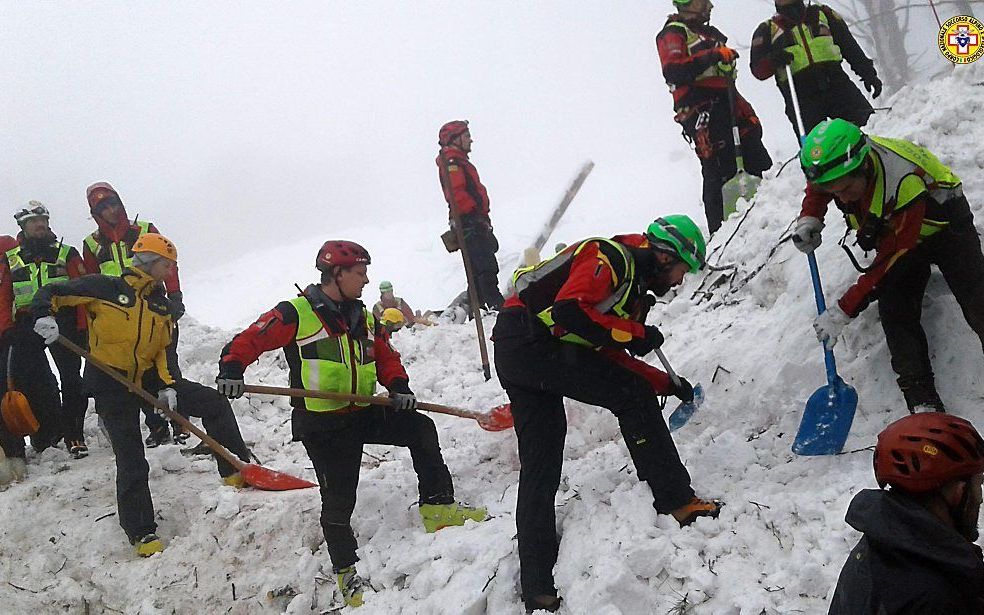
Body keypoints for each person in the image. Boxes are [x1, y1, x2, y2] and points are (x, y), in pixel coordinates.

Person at [215, 240, 488, 608]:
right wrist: (232, 367)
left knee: (420, 428)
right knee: (340, 499)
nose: (366, 280)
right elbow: (252, 338)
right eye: (360, 273)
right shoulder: (297, 313)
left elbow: (385, 356)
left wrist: (398, 385)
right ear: (337, 274)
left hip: (361, 411)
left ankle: (438, 507)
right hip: (322, 423)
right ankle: (346, 569)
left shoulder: (365, 317)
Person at [492, 215, 722, 613]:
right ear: (666, 257)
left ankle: (537, 585)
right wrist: (637, 335)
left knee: (541, 463)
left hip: (517, 348)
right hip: (532, 340)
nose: (682, 281)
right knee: (630, 396)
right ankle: (677, 499)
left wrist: (666, 383)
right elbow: (569, 313)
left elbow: (606, 354)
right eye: (684, 269)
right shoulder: (609, 257)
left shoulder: (629, 287)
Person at [30, 233, 252, 557]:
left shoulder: (161, 305)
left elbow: (163, 351)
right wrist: (43, 315)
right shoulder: (104, 288)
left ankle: (234, 472)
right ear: (150, 262)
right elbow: (53, 292)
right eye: (167, 264)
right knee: (131, 456)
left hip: (147, 379)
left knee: (214, 403)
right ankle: (141, 532)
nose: (171, 271)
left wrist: (167, 387)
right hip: (108, 380)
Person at [793, 119, 984, 413]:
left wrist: (845, 309)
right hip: (895, 230)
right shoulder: (841, 167)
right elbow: (820, 186)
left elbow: (893, 258)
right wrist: (811, 218)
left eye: (845, 189)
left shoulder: (903, 182)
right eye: (836, 192)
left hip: (943, 226)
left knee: (976, 298)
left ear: (864, 167)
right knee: (895, 312)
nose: (841, 198)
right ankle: (923, 405)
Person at [828, 412, 984, 613]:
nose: (980, 497)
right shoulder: (938, 597)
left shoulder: (882, 544)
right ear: (958, 492)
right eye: (978, 484)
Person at [82, 182, 187, 447]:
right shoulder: (91, 244)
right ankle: (157, 425)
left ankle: (181, 423)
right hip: (119, 312)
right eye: (103, 208)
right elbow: (91, 282)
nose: (111, 211)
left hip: (154, 301)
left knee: (167, 363)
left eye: (113, 203)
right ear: (95, 213)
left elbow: (167, 262)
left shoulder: (144, 230)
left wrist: (175, 296)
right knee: (135, 368)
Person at [655, 0, 773, 235]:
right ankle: (721, 233)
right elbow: (674, 70)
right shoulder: (674, 33)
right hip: (702, 111)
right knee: (719, 170)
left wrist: (748, 114)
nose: (709, 5)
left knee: (757, 157)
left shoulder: (710, 36)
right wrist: (713, 56)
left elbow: (727, 83)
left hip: (728, 104)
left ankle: (773, 211)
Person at [0, 203, 88, 477]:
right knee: (35, 382)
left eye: (42, 219)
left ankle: (74, 433)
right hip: (26, 326)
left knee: (71, 378)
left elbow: (84, 290)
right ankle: (45, 434)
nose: (39, 224)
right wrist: (7, 328)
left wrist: (84, 326)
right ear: (23, 227)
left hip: (63, 322)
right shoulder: (10, 259)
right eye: (33, 221)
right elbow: (4, 296)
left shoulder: (66, 253)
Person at [750, 0, 881, 138]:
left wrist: (868, 73)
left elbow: (848, 45)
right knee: (816, 149)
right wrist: (772, 60)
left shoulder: (823, 14)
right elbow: (758, 70)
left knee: (870, 128)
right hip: (800, 95)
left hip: (836, 83)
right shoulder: (766, 30)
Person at [436, 120, 505, 310]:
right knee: (484, 264)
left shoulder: (456, 161)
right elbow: (457, 193)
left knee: (477, 268)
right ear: (455, 139)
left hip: (472, 221)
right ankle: (493, 303)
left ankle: (480, 306)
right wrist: (474, 216)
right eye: (466, 136)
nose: (471, 140)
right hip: (470, 222)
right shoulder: (453, 163)